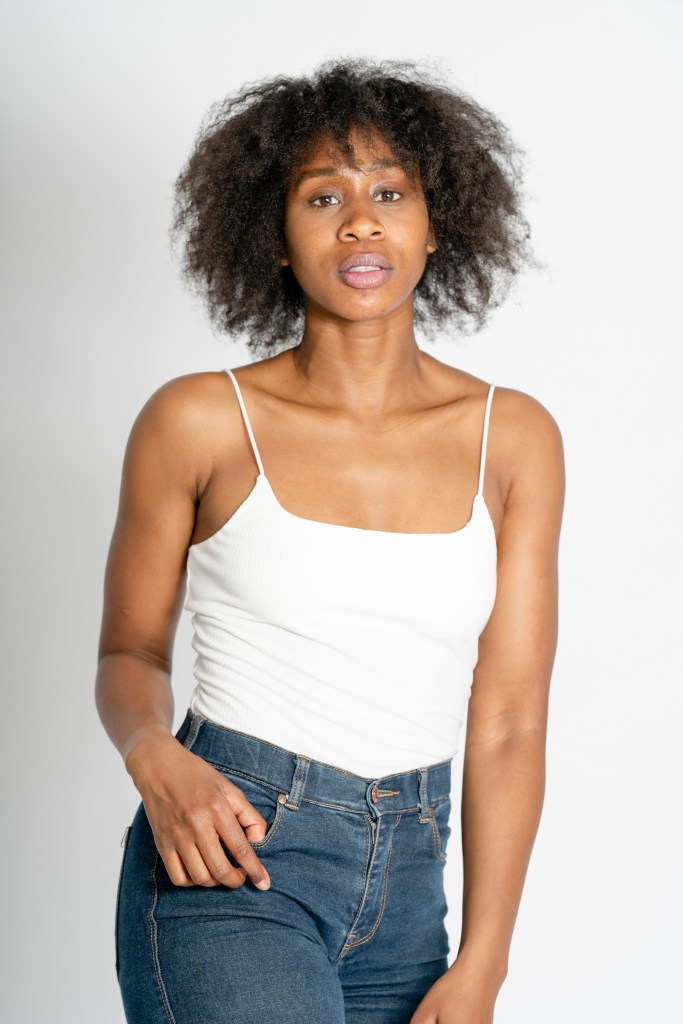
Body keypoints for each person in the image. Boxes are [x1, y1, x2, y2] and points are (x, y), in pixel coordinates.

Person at [96, 59, 565, 1024]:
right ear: (274, 237)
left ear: (435, 225)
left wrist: (483, 961)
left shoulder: (512, 438)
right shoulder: (198, 421)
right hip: (230, 853)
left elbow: (510, 720)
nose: (360, 222)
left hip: (413, 886)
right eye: (322, 198)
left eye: (389, 193)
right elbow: (129, 651)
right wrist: (155, 756)